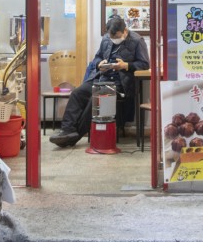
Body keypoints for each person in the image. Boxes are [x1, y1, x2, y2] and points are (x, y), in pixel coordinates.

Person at [49, 16, 150, 147]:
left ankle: (74, 137)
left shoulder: (137, 40)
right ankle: (67, 130)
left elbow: (144, 64)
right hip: (101, 78)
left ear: (125, 31)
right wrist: (99, 64)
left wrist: (125, 65)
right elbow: (97, 57)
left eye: (117, 36)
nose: (114, 39)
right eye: (111, 36)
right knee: (77, 93)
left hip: (120, 84)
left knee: (95, 99)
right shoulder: (107, 39)